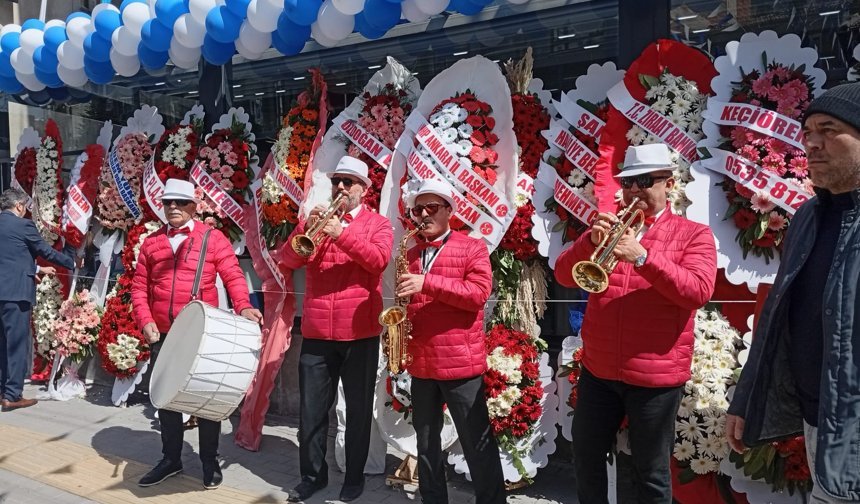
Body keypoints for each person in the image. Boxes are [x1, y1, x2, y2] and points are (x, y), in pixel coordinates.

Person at [554, 143, 717, 503]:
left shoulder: (695, 235)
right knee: (586, 456)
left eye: (644, 181)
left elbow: (698, 291)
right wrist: (587, 243)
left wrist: (644, 257)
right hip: (600, 371)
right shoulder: (609, 230)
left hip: (655, 377)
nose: (633, 191)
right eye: (627, 182)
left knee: (651, 473)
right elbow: (565, 275)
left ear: (668, 184)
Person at [726, 83, 860, 503]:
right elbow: (777, 318)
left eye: (828, 129)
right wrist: (746, 397)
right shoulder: (807, 217)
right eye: (807, 132)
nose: (812, 143)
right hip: (821, 421)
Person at [130, 179, 262, 489]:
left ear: (194, 206)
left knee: (207, 396)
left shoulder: (212, 239)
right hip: (162, 333)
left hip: (203, 333)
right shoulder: (151, 242)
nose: (173, 208)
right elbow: (138, 287)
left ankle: (209, 461)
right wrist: (145, 319)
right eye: (167, 203)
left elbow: (232, 275)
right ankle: (171, 459)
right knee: (167, 400)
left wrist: (243, 306)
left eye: (180, 202)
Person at [279, 156, 393, 503]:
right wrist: (304, 230)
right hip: (316, 332)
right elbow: (288, 259)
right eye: (337, 182)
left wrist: (341, 233)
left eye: (349, 182)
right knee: (311, 411)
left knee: (358, 410)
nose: (341, 188)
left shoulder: (378, 224)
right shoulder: (317, 221)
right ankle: (312, 476)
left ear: (364, 189)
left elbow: (377, 261)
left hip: (359, 333)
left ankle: (354, 477)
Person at [396, 178, 505, 504]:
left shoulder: (473, 247)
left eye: (432, 208)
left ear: (449, 211)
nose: (423, 215)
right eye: (418, 209)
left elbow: (477, 295)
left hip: (460, 364)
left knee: (476, 443)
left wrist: (427, 282)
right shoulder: (411, 252)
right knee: (426, 444)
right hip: (422, 363)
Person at [0, 188, 76, 412]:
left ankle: (3, 389)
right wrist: (71, 263)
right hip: (16, 295)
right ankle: (12, 395)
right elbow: (45, 250)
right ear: (19, 206)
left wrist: (36, 267)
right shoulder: (23, 225)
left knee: (2, 345)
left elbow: (9, 256)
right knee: (15, 345)